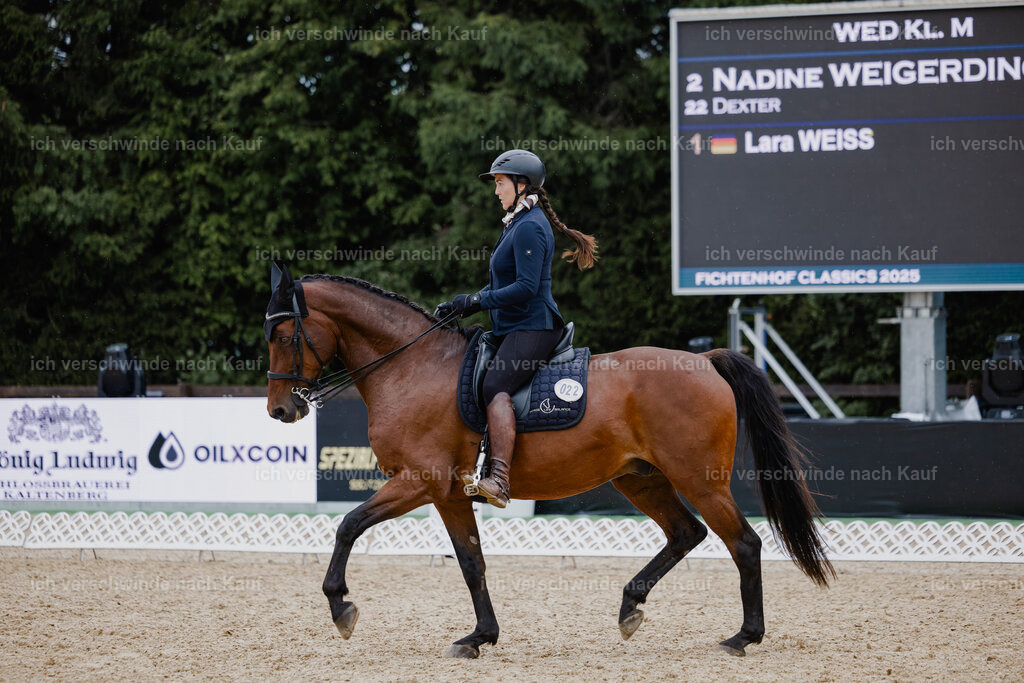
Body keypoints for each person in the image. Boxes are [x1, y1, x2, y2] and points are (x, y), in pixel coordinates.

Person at [438, 149, 598, 507]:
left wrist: (476, 302)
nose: (496, 191)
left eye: (500, 183)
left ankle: (499, 479)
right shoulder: (517, 223)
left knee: (496, 384)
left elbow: (526, 288)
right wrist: (463, 303)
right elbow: (502, 284)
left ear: (521, 184)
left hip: (534, 327)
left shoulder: (530, 227)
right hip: (513, 327)